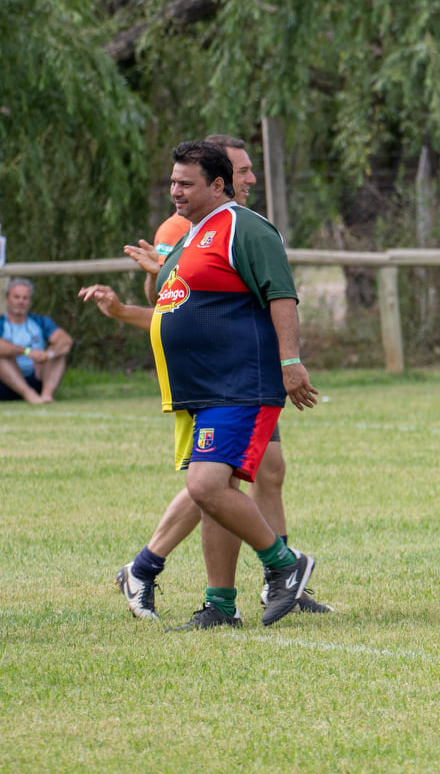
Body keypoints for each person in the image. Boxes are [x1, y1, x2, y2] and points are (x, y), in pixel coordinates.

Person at [79, 141, 319, 628]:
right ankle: (220, 606)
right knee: (215, 492)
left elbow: (281, 295)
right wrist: (128, 304)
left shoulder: (245, 228)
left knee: (206, 485)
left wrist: (291, 361)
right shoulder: (190, 237)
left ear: (217, 184)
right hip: (201, 392)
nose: (175, 191)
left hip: (240, 384)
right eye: (172, 182)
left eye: (186, 183)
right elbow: (174, 311)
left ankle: (284, 565)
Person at [0, 278, 71, 403]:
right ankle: (28, 394)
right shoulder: (1, 323)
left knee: (59, 354)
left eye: (25, 298)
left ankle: (46, 395)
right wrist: (28, 352)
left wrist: (48, 355)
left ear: (30, 301)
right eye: (16, 297)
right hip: (4, 382)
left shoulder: (40, 321)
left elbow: (65, 340)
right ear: (6, 299)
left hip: (36, 378)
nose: (20, 301)